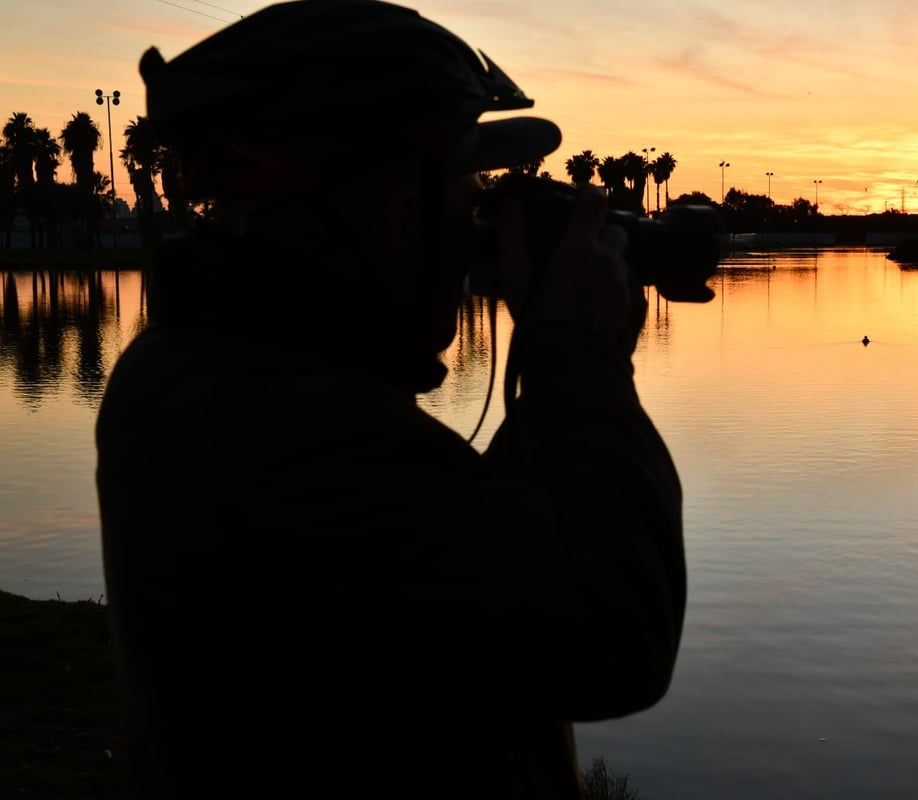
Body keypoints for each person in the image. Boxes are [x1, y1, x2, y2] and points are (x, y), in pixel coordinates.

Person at [94, 2, 686, 798]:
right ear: (393, 208)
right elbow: (611, 639)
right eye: (467, 189)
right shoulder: (281, 425)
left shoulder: (206, 373)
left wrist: (558, 353)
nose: (475, 224)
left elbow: (490, 548)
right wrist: (581, 355)